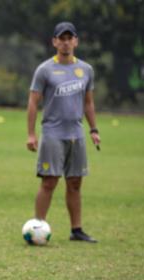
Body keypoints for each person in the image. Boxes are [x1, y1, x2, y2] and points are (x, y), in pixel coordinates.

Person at [26, 22, 101, 243]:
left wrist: (93, 129)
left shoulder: (86, 70)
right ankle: (38, 225)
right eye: (62, 38)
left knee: (75, 182)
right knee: (49, 181)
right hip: (52, 134)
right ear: (55, 42)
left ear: (76, 41)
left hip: (76, 134)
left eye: (70, 38)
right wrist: (31, 134)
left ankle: (76, 230)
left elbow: (88, 103)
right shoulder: (45, 70)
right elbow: (32, 102)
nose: (66, 42)